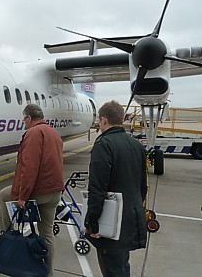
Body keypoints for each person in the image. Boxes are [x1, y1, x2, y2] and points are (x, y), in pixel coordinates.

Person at [0, 104, 64, 277]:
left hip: (38, 191)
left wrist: (23, 196)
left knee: (3, 195)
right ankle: (48, 272)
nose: (24, 123)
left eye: (24, 119)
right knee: (47, 233)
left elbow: (29, 167)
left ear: (29, 118)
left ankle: (3, 234)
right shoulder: (54, 133)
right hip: (55, 191)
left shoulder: (33, 133)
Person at [84, 100, 148, 277]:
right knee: (121, 264)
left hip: (111, 219)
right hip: (130, 216)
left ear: (104, 120)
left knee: (112, 268)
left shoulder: (104, 144)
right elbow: (143, 186)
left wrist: (92, 222)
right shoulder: (136, 144)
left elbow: (97, 188)